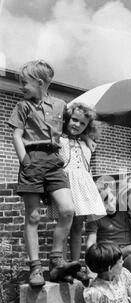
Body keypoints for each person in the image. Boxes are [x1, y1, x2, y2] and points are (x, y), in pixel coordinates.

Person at [7, 59, 80, 287]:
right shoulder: (23, 107)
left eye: (25, 82)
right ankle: (36, 268)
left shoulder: (60, 104)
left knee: (68, 209)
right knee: (33, 216)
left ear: (40, 82)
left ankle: (56, 260)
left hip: (54, 161)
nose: (21, 86)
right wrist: (25, 161)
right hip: (33, 159)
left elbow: (75, 126)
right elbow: (16, 135)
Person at [48, 103, 106, 284]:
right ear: (67, 119)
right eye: (74, 120)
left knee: (78, 229)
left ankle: (75, 264)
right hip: (65, 185)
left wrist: (85, 138)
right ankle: (61, 265)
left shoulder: (86, 142)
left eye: (82, 123)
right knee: (65, 226)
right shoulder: (59, 139)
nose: (77, 125)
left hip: (82, 186)